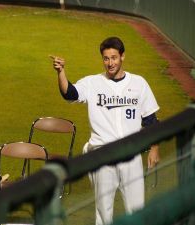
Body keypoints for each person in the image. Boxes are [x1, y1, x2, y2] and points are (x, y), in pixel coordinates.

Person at [50, 36, 160, 225]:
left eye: (114, 58)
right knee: (103, 212)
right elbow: (70, 94)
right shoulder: (92, 83)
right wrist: (61, 72)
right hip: (103, 155)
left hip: (131, 155)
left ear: (122, 57)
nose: (110, 63)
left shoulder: (139, 83)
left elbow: (150, 120)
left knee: (137, 210)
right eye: (106, 58)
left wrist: (155, 148)